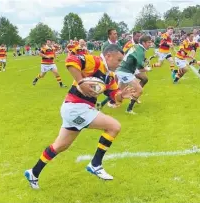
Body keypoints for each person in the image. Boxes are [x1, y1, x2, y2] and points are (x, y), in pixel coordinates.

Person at [24, 44, 134, 189]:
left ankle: (33, 172)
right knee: (114, 126)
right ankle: (95, 164)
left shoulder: (110, 76)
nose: (120, 64)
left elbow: (114, 97)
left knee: (61, 145)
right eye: (119, 60)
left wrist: (122, 96)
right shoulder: (95, 61)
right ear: (108, 56)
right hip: (76, 108)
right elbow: (71, 60)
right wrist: (81, 82)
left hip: (76, 109)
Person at [115, 35, 152, 114]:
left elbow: (129, 54)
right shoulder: (140, 51)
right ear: (143, 43)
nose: (150, 44)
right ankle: (129, 109)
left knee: (119, 90)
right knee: (139, 90)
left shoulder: (137, 47)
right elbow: (140, 67)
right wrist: (147, 68)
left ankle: (102, 104)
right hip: (125, 71)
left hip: (126, 70)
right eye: (149, 42)